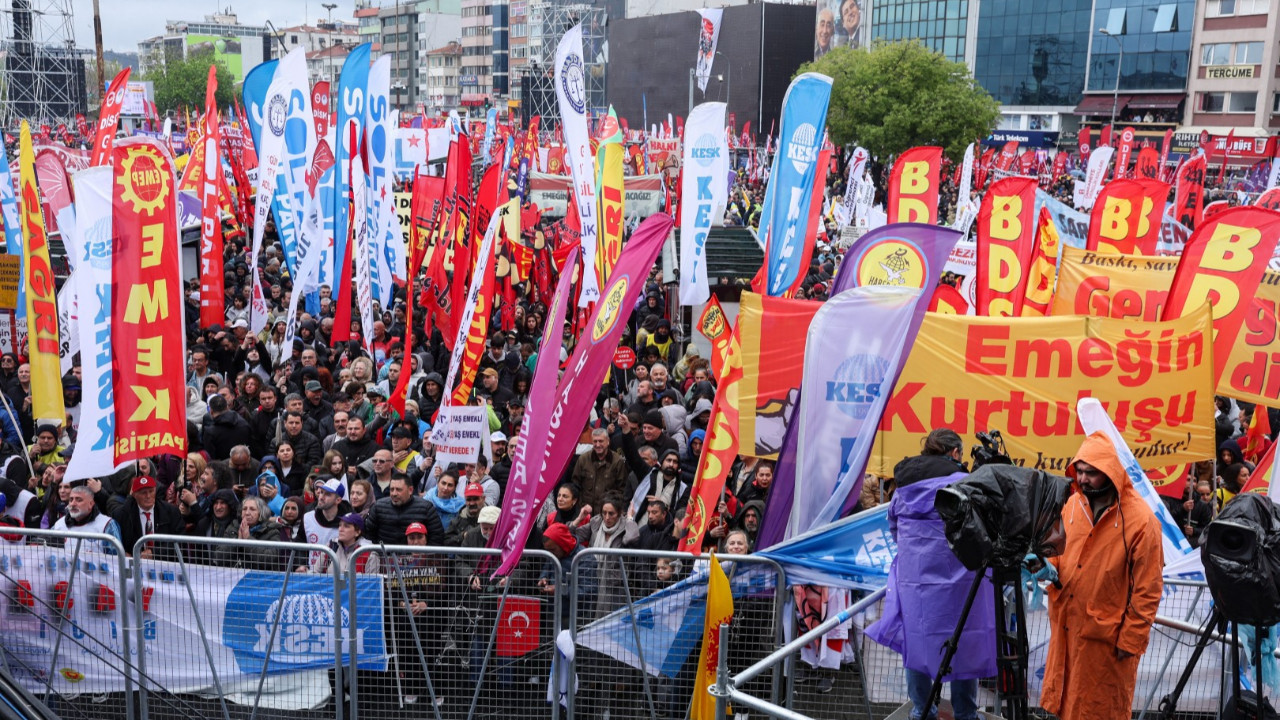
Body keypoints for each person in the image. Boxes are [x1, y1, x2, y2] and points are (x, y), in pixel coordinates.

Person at [866, 429, 995, 720]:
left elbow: (896, 531)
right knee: (965, 643)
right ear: (954, 453)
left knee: (916, 641)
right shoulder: (966, 484)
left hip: (916, 583)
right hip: (961, 580)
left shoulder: (902, 489)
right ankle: (965, 713)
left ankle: (922, 711)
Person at [1039, 431, 1164, 720]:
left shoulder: (1142, 522)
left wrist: (1129, 642)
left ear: (1110, 472)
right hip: (1067, 635)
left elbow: (1148, 591)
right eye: (1079, 471)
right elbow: (1058, 552)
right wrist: (1046, 565)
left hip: (1106, 643)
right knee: (1064, 706)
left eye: (1091, 473)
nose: (1082, 479)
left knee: (1100, 711)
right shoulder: (1072, 506)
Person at [112, 475, 183, 559]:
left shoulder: (171, 512)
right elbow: (114, 542)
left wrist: (154, 553)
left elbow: (181, 542)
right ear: (134, 495)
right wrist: (122, 552)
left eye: (151, 491)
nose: (148, 496)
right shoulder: (121, 514)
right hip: (134, 564)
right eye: (143, 493)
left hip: (164, 563)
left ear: (155, 491)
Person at [365, 476, 448, 546]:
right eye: (392, 489)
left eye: (398, 490)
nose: (394, 493)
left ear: (410, 490)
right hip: (385, 559)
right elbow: (369, 533)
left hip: (417, 561)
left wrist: (424, 557)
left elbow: (437, 536)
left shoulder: (426, 508)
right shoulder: (378, 506)